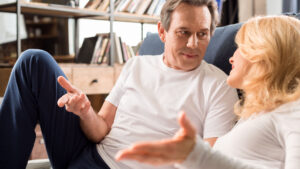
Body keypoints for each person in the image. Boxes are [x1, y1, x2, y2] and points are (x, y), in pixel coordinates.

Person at [0, 0, 238, 168]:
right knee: (33, 60)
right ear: (162, 32)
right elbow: (101, 129)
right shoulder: (137, 65)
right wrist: (85, 112)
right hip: (93, 153)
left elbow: (211, 162)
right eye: (183, 32)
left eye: (203, 34)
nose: (194, 43)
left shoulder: (218, 85)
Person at [115, 15, 300, 169]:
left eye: (241, 49)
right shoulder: (257, 113)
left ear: (264, 55)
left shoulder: (293, 112)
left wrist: (197, 156)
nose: (231, 58)